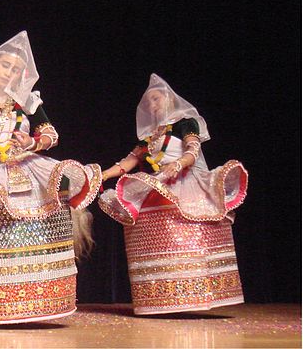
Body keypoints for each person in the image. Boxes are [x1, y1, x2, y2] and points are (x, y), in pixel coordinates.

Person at [0, 31, 102, 325]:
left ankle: (39, 301)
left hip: (29, 167)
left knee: (35, 230)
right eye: (5, 66)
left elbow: (51, 134)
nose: (10, 72)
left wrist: (32, 143)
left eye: (16, 69)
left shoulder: (27, 102)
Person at [98, 73, 248, 315]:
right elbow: (130, 161)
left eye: (156, 99)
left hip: (184, 181)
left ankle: (194, 294)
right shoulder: (151, 136)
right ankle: (159, 298)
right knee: (151, 234)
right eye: (149, 103)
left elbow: (192, 150)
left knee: (186, 233)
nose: (153, 106)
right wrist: (102, 175)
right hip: (156, 186)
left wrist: (177, 165)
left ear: (169, 100)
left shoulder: (184, 122)